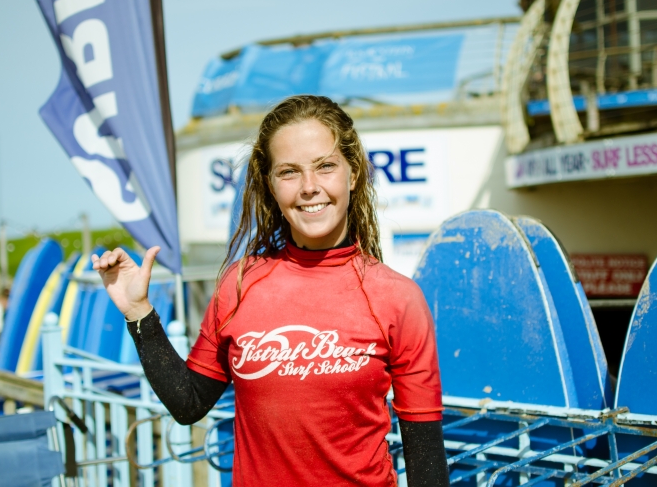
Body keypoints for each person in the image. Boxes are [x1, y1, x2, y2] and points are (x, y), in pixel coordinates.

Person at [93, 95, 449, 486]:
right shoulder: (241, 284)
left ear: (353, 175)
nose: (309, 187)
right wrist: (138, 311)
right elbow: (189, 403)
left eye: (325, 166)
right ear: (270, 184)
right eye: (289, 172)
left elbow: (426, 461)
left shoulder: (398, 300)